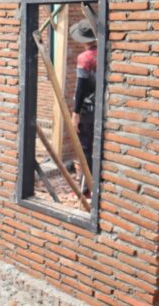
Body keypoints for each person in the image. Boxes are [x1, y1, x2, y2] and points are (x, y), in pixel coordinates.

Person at [70, 19, 97, 196]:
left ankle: (85, 189)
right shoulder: (105, 53)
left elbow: (81, 88)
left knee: (85, 148)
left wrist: (76, 113)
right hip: (101, 108)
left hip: (87, 109)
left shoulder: (85, 58)